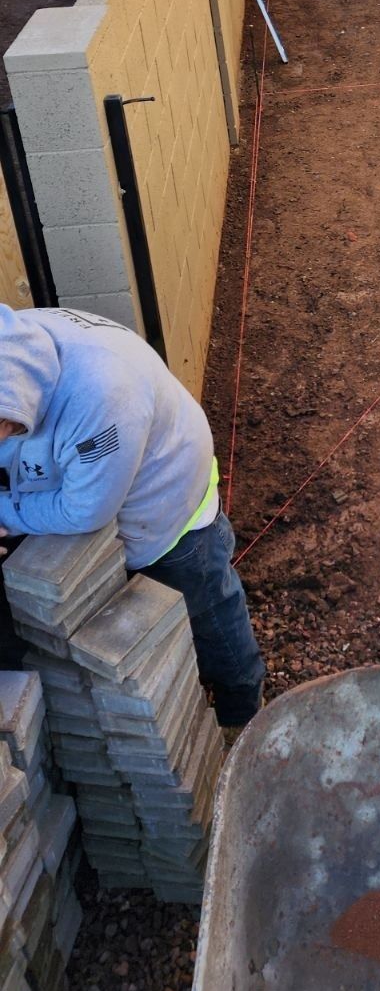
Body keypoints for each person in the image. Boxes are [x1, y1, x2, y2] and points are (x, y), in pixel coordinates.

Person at [0, 304, 264, 727]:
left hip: (169, 513)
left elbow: (83, 510)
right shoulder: (14, 352)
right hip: (107, 486)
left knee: (209, 612)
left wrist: (7, 513)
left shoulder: (101, 395)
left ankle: (243, 714)